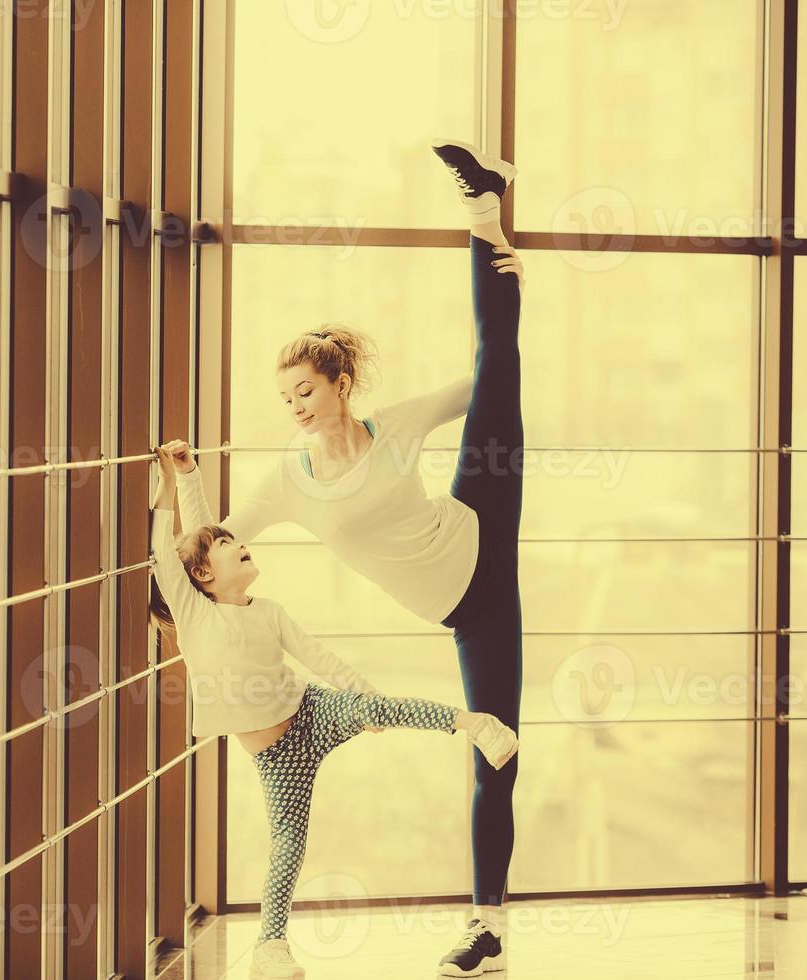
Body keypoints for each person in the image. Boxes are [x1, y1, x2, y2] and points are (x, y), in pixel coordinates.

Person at [165, 138, 527, 976]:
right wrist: (184, 479)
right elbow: (210, 539)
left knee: (499, 362)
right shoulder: (289, 481)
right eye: (284, 396)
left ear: (338, 386)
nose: (294, 406)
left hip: (481, 522)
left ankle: (483, 209)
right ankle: (491, 929)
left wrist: (511, 312)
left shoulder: (393, 426)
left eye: (306, 391)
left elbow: (480, 385)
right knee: (494, 740)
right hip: (470, 608)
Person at [149, 443, 518, 980]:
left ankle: (475, 723)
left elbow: (317, 657)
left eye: (238, 539)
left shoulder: (269, 612)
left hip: (311, 711)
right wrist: (177, 482)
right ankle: (270, 949)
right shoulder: (195, 618)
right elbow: (174, 551)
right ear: (204, 575)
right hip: (278, 757)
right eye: (228, 546)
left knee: (378, 705)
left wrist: (364, 698)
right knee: (289, 845)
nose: (240, 542)